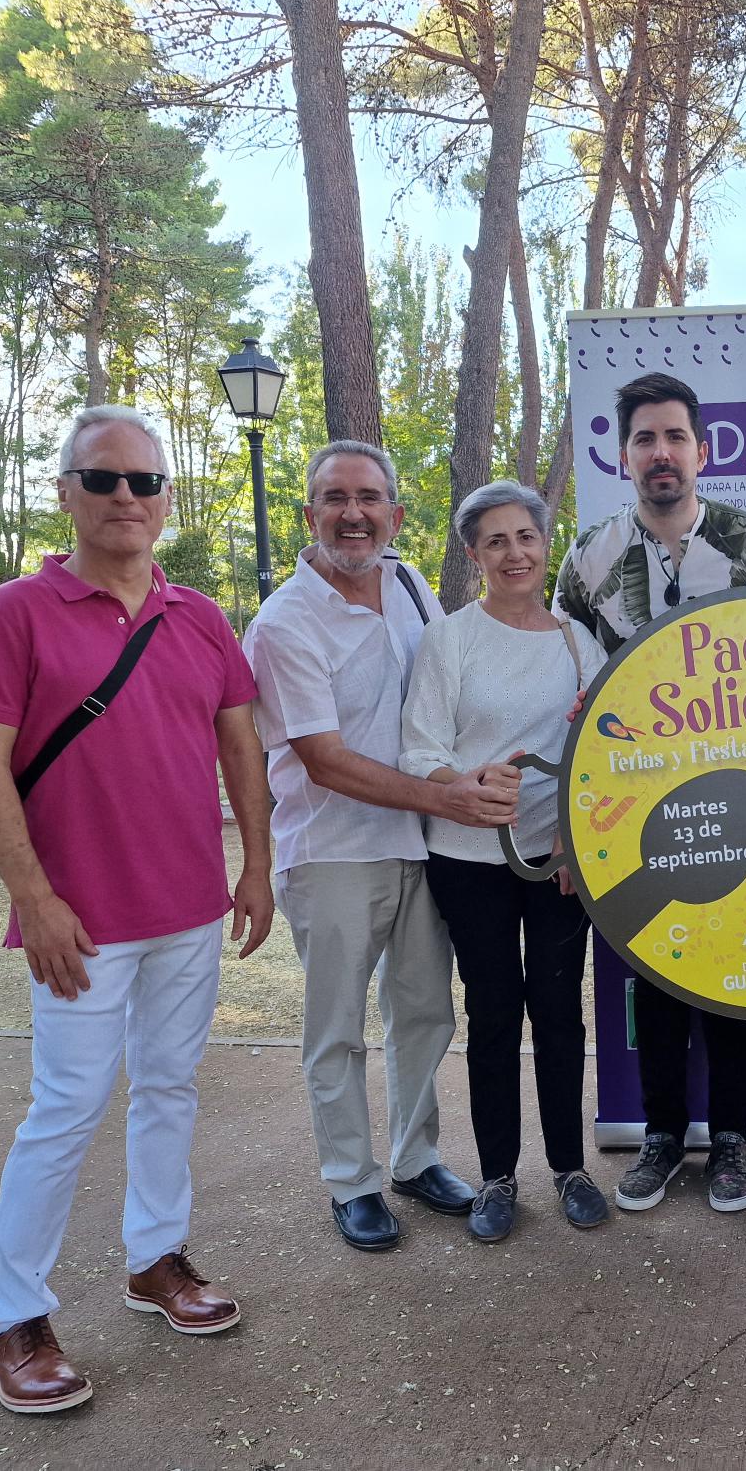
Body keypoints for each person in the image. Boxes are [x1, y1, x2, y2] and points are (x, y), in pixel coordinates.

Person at [0, 404, 275, 1416]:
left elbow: (241, 747)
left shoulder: (200, 618)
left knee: (170, 1087)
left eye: (144, 481)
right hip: (78, 920)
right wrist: (33, 899)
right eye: (102, 479)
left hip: (188, 907)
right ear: (67, 493)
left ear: (166, 499)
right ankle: (13, 1319)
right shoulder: (15, 613)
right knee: (67, 1109)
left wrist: (257, 867)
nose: (125, 497)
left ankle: (155, 1260)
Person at [242, 441, 490, 1255]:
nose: (354, 514)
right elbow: (324, 760)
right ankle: (352, 1182)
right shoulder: (285, 621)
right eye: (336, 499)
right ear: (309, 513)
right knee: (338, 1029)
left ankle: (416, 1160)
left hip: (422, 844)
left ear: (396, 513)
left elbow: (452, 696)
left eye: (369, 498)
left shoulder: (412, 584)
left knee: (424, 1012)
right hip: (333, 850)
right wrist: (445, 798)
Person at [554, 371, 746, 1214]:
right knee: (652, 967)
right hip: (634, 802)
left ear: (702, 451)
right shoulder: (590, 555)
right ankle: (660, 1135)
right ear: (623, 456)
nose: (661, 453)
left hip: (737, 790)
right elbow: (569, 678)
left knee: (731, 962)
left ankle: (731, 1140)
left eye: (675, 437)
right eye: (645, 438)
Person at [402, 480, 611, 1242]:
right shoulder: (450, 639)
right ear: (474, 554)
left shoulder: (577, 644)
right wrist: (460, 787)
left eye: (525, 536)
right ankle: (497, 1178)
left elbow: (604, 756)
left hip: (556, 861)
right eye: (496, 541)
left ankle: (570, 1169)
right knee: (492, 1013)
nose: (514, 553)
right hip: (467, 859)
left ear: (544, 544)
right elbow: (420, 748)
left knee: (559, 1012)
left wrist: (577, 838)